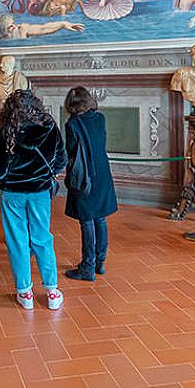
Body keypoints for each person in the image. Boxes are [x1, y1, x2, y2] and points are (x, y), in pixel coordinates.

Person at [0, 90, 66, 310]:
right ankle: (52, 291)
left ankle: (25, 293)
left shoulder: (7, 131)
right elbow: (61, 159)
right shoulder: (49, 127)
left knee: (17, 241)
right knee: (43, 238)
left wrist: (6, 179)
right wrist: (45, 173)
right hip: (40, 191)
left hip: (12, 193)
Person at [62, 87, 118, 281]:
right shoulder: (100, 118)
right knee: (99, 218)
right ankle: (100, 261)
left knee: (86, 220)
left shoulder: (73, 124)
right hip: (102, 172)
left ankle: (87, 267)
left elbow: (71, 152)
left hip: (85, 176)